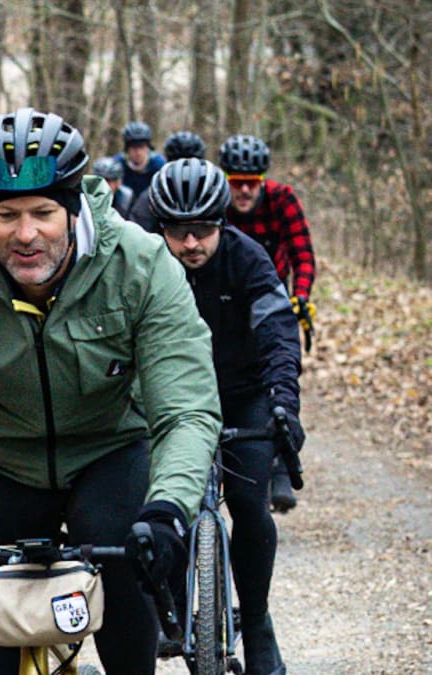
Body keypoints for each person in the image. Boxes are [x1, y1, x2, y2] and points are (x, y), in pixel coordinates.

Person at [0, 108, 221, 674]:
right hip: (1, 463)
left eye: (43, 213)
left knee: (132, 627)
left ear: (73, 210)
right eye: (6, 215)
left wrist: (168, 509)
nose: (25, 234)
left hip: (110, 453)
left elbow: (185, 410)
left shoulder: (141, 263)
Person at [149, 158, 305, 675]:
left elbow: (278, 332)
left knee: (248, 504)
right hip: (172, 399)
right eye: (178, 232)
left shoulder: (248, 259)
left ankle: (257, 622)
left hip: (243, 394)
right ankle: (168, 607)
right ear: (161, 228)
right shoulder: (147, 262)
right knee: (161, 503)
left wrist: (284, 402)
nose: (191, 243)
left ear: (222, 223)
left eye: (202, 230)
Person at [218, 134, 316, 512]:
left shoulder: (282, 200)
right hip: (226, 301)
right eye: (236, 182)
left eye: (251, 182)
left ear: (262, 181)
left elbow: (303, 255)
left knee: (280, 372)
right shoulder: (215, 204)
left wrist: (300, 295)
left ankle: (280, 461)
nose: (243, 191)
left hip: (270, 298)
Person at [129, 130, 207, 233]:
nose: (184, 170)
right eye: (177, 163)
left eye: (190, 164)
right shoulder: (152, 197)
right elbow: (138, 233)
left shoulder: (210, 193)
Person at [114, 121, 165, 200]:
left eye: (142, 147)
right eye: (134, 148)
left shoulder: (158, 164)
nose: (138, 152)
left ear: (148, 148)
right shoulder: (118, 164)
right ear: (127, 149)